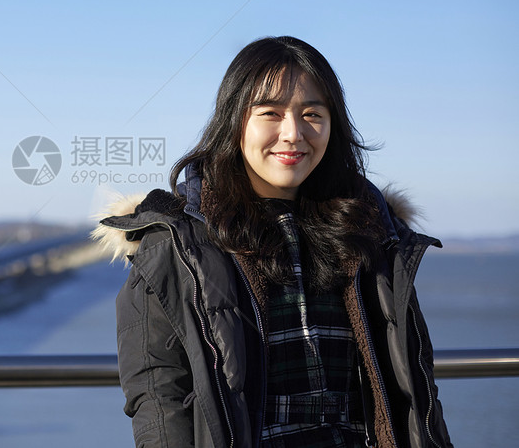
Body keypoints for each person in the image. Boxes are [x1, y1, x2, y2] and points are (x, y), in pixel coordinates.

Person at [94, 36, 452, 448]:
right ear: (235, 120)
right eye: (270, 113)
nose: (293, 133)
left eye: (312, 113)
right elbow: (158, 397)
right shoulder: (177, 242)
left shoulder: (371, 229)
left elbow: (416, 388)